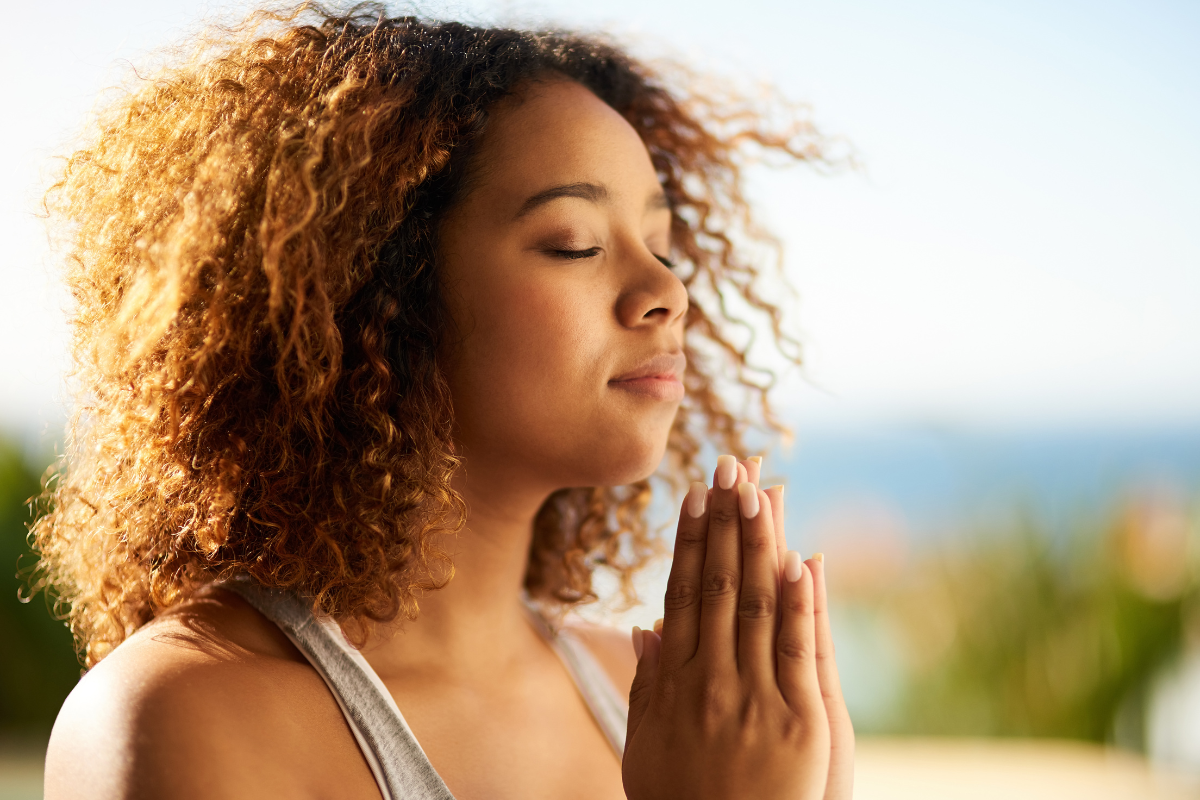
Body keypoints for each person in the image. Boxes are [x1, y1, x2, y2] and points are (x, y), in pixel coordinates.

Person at [34, 4, 854, 798]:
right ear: (376, 290)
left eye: (666, 247)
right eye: (577, 244)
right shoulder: (185, 715)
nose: (666, 289)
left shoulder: (666, 700)